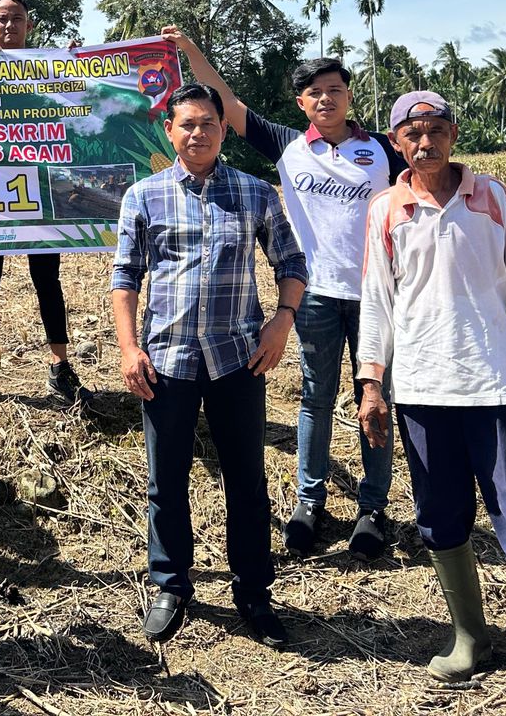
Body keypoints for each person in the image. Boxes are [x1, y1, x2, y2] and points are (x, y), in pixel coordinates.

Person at [357, 91, 506, 716]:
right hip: (421, 389)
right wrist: (372, 383)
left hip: (491, 386)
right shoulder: (387, 208)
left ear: (453, 135)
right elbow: (376, 301)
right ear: (397, 143)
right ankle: (470, 637)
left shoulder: (491, 199)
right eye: (412, 133)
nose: (424, 142)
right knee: (440, 513)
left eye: (435, 130)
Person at [162, 29, 405, 559]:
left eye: (335, 89)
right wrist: (189, 50)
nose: (326, 99)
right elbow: (224, 102)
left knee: (376, 400)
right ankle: (310, 502)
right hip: (315, 295)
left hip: (377, 296)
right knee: (315, 400)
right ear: (302, 103)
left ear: (348, 96)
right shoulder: (287, 146)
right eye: (314, 92)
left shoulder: (383, 150)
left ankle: (372, 509)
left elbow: (430, 172)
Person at [111, 82, 308, 646]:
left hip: (237, 360)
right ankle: (171, 585)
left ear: (224, 131)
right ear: (169, 132)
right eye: (186, 124)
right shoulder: (143, 197)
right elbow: (126, 278)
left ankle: (253, 592)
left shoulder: (254, 193)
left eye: (208, 123)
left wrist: (282, 319)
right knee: (164, 479)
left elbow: (292, 262)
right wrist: (129, 348)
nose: (197, 133)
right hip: (166, 361)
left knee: (246, 479)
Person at [0, 0, 92, 413]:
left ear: (29, 25)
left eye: (17, 19)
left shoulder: (50, 68)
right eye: (2, 19)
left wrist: (75, 64)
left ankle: (60, 366)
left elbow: (74, 103)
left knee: (47, 276)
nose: (9, 25)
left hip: (40, 187)